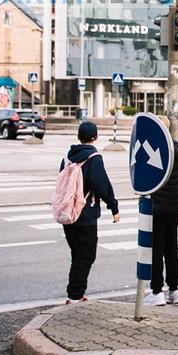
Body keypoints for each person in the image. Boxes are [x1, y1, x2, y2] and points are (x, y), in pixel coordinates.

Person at [61, 122, 120, 304]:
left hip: (68, 214)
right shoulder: (94, 158)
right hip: (85, 215)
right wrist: (114, 208)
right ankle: (75, 296)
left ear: (78, 136)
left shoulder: (67, 157)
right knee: (86, 255)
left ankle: (75, 293)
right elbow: (102, 185)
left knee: (77, 254)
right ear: (95, 137)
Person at [145, 134, 178, 306]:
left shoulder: (158, 153)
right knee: (171, 247)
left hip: (158, 208)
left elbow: (148, 180)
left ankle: (157, 291)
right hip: (176, 208)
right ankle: (174, 290)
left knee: (157, 248)